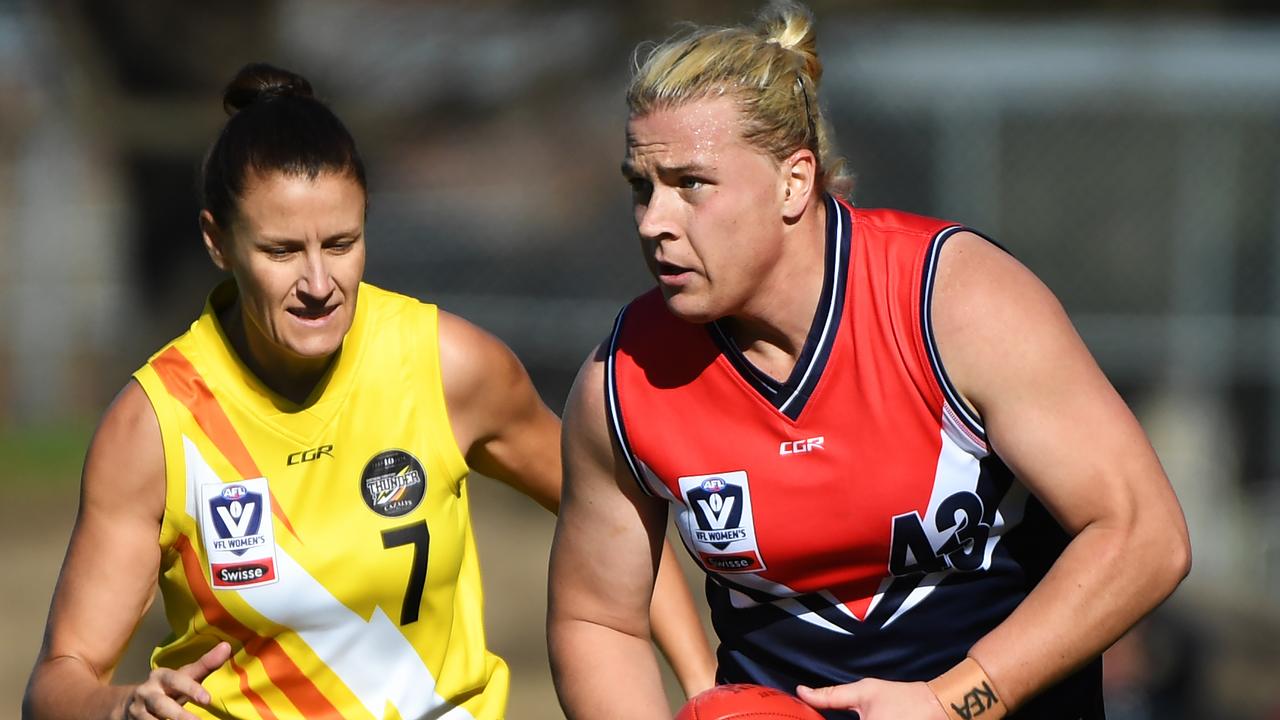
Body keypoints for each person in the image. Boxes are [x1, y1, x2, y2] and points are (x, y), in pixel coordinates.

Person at [546, 3, 1191, 719]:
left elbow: (1141, 534)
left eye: (690, 183)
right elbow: (597, 620)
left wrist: (955, 702)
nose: (653, 221)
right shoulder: (624, 379)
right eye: (643, 186)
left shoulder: (953, 303)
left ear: (795, 181)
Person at [23, 63, 715, 720]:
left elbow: (617, 523)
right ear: (217, 242)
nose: (319, 282)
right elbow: (60, 676)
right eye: (282, 251)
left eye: (342, 242)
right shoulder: (157, 426)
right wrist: (119, 706)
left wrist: (703, 686)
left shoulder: (448, 366)